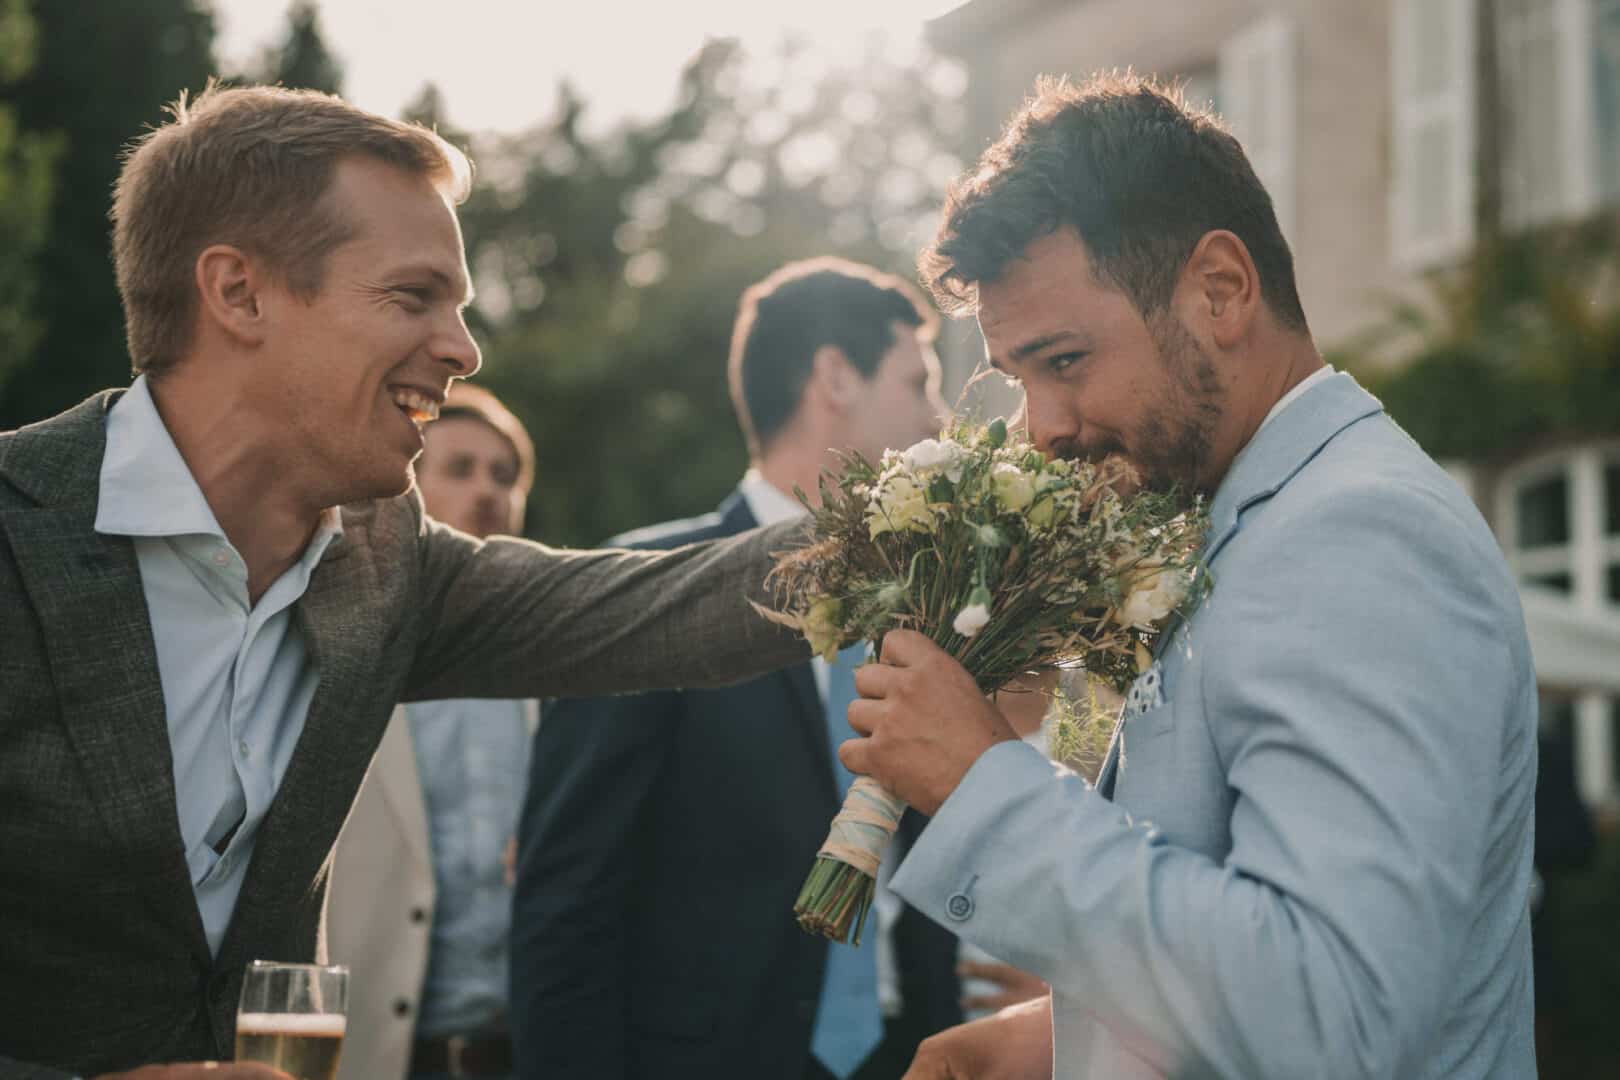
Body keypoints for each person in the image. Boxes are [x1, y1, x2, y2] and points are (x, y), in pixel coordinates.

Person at [0, 84, 806, 1080]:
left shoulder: (390, 563)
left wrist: (949, 511)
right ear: (239, 293)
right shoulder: (16, 530)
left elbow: (677, 610)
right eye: (413, 297)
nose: (464, 350)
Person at [839, 74, 1538, 1079]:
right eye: (1021, 378)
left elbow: (1333, 1016)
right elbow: (1252, 922)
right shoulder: (1249, 522)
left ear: (1220, 289)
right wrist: (1051, 1042)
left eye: (1064, 360)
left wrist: (985, 786)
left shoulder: (1357, 536)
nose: (1042, 429)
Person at [325, 383, 539, 1080]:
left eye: (504, 475)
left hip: (521, 1053)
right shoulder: (338, 651)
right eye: (461, 469)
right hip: (373, 1053)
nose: (487, 491)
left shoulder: (551, 672)